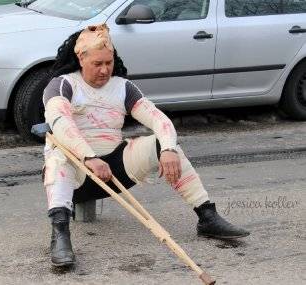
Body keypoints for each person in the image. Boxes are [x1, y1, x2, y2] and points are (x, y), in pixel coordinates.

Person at [42, 24, 250, 267]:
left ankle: (207, 216)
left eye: (108, 63)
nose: (104, 70)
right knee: (58, 160)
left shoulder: (122, 87)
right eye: (97, 64)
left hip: (113, 169)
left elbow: (158, 119)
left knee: (166, 146)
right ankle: (60, 236)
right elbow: (60, 123)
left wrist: (169, 149)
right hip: (77, 173)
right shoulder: (62, 85)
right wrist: (88, 157)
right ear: (81, 58)